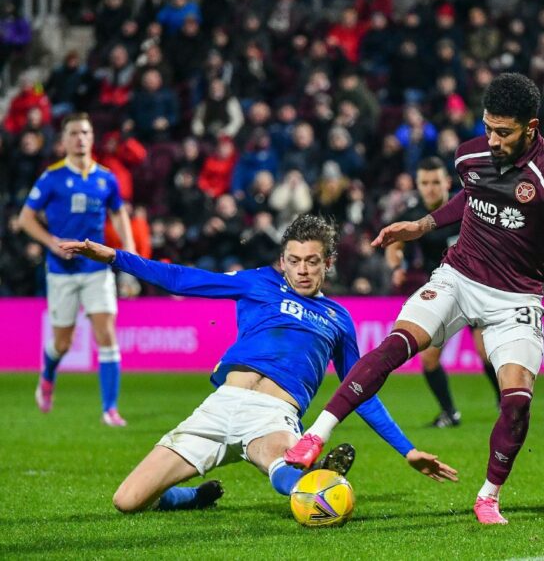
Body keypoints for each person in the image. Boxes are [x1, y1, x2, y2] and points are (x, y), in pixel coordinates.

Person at [284, 73, 544, 525]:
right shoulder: (470, 154)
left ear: (531, 127)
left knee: (516, 401)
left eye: (504, 132)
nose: (492, 139)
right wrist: (423, 225)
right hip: (458, 277)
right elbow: (470, 198)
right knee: (395, 346)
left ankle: (488, 495)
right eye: (488, 127)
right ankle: (315, 435)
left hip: (515, 298)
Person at [59, 215, 458, 513]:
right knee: (126, 501)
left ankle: (311, 477)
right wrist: (113, 257)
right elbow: (182, 279)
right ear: (282, 261)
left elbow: (360, 391)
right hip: (218, 408)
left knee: (286, 477)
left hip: (273, 416)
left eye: (312, 261)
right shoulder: (257, 283)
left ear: (328, 263)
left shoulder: (338, 319)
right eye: (295, 260)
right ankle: (191, 497)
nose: (302, 270)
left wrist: (407, 450)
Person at [19, 112, 136, 426]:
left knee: (107, 334)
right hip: (61, 271)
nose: (80, 138)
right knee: (63, 343)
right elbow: (25, 219)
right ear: (64, 140)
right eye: (73, 133)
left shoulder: (106, 178)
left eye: (85, 132)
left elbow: (119, 214)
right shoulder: (52, 177)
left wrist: (130, 249)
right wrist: (51, 242)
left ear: (92, 137)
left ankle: (109, 409)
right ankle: (46, 376)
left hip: (97, 269)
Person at [385, 156, 500, 427]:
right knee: (429, 356)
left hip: (477, 288)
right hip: (441, 294)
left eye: (435, 182)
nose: (431, 188)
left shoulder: (469, 206)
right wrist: (396, 266)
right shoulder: (413, 214)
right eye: (425, 183)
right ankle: (450, 413)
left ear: (447, 182)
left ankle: (504, 403)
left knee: (486, 351)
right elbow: (394, 243)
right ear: (418, 185)